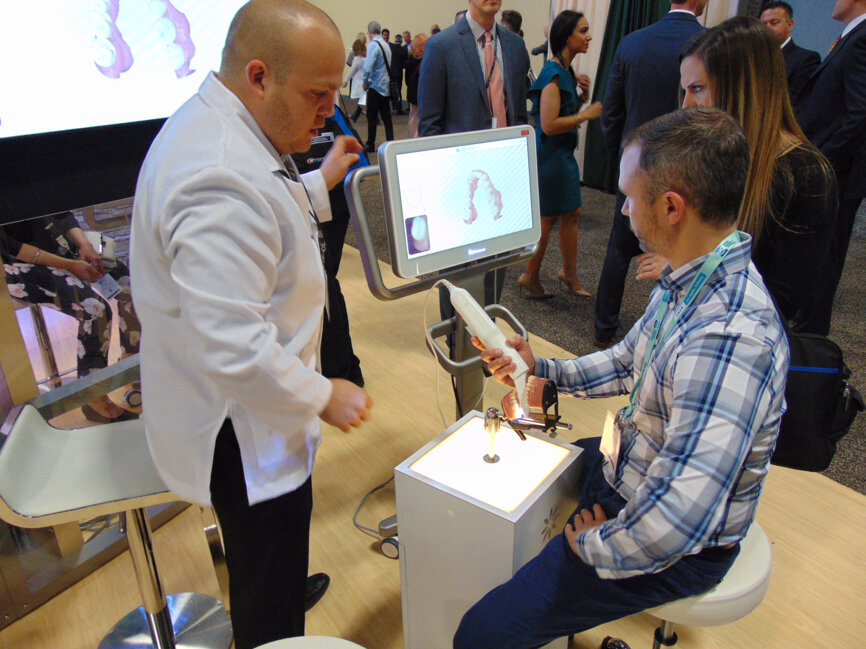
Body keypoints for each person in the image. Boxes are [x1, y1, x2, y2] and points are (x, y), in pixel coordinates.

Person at [453, 107, 789, 649]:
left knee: (480, 636)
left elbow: (679, 519)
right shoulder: (690, 277)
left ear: (672, 207)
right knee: (531, 455)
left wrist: (594, 547)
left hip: (677, 540)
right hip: (634, 465)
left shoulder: (728, 339)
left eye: (630, 197)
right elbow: (626, 362)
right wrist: (536, 369)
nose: (624, 209)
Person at [129, 2, 373, 648]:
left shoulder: (229, 126)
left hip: (259, 412)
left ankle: (282, 596)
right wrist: (327, 392)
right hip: (242, 426)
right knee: (266, 582)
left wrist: (318, 185)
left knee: (276, 556)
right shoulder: (217, 174)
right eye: (318, 95)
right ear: (260, 75)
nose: (329, 111)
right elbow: (231, 345)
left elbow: (269, 213)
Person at [674, 16, 837, 332]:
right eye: (685, 90)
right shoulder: (716, 155)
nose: (686, 106)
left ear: (741, 87)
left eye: (697, 89)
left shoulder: (806, 175)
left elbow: (777, 304)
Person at [593, 0, 706, 349]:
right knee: (683, 254)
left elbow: (610, 113)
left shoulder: (632, 42)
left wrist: (623, 160)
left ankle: (602, 326)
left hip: (637, 168)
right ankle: (664, 331)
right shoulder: (710, 45)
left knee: (618, 249)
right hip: (689, 169)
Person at [418, 0, 531, 329]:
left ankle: (487, 335)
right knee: (457, 268)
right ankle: (456, 339)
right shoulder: (442, 46)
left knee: (498, 262)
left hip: (502, 174)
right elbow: (430, 125)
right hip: (459, 182)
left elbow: (519, 114)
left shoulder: (514, 45)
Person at [1, 212, 140, 422]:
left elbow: (61, 214)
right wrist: (69, 265)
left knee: (130, 284)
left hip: (60, 247)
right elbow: (11, 248)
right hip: (13, 265)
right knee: (94, 308)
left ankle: (131, 360)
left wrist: (84, 245)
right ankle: (92, 392)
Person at [794, 0, 866, 336]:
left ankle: (810, 343)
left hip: (836, 174)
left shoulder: (863, 38)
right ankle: (804, 327)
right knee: (815, 255)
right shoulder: (850, 36)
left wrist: (820, 162)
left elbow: (859, 115)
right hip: (831, 169)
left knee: (825, 259)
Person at [518, 10, 602, 299]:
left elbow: (561, 113)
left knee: (569, 214)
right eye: (583, 30)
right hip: (552, 157)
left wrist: (580, 99)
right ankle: (533, 275)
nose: (588, 36)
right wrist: (586, 115)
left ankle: (560, 273)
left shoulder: (565, 72)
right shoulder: (553, 73)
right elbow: (549, 124)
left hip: (559, 156)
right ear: (567, 36)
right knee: (550, 220)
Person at [759, 1, 821, 102]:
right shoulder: (754, 57)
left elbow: (796, 102)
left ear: (790, 24)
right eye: (763, 24)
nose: (767, 28)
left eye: (774, 23)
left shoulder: (806, 59)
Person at [362, 20, 394, 153]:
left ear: (370, 32)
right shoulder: (386, 45)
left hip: (375, 86)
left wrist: (365, 83)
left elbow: (367, 67)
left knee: (372, 116)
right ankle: (391, 141)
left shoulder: (373, 45)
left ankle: (370, 143)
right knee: (386, 117)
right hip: (385, 86)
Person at [405, 33, 428, 138]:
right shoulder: (428, 60)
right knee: (421, 119)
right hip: (422, 94)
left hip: (412, 93)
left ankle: (412, 138)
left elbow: (406, 78)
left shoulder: (410, 59)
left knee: (413, 117)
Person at [344, 38, 367, 122]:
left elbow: (351, 71)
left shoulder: (356, 59)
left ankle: (355, 116)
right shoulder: (365, 59)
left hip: (358, 83)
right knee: (363, 101)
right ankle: (355, 116)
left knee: (362, 101)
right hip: (365, 82)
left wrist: (346, 81)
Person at [389, 32, 408, 114]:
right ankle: (399, 109)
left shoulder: (391, 48)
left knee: (390, 89)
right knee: (398, 90)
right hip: (399, 73)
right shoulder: (403, 50)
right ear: (401, 41)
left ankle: (393, 105)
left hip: (391, 72)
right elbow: (405, 64)